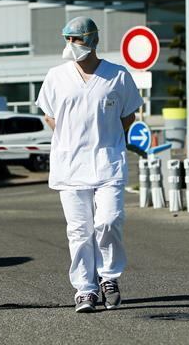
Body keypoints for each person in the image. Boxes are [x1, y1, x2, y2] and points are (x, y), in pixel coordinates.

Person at [35, 17, 143, 313]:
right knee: (79, 230)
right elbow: (50, 115)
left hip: (107, 161)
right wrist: (72, 136)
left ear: (92, 40)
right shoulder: (56, 76)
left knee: (108, 221)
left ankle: (109, 276)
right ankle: (85, 288)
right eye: (67, 39)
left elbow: (128, 115)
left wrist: (103, 134)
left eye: (76, 39)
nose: (70, 45)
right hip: (70, 165)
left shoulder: (117, 76)